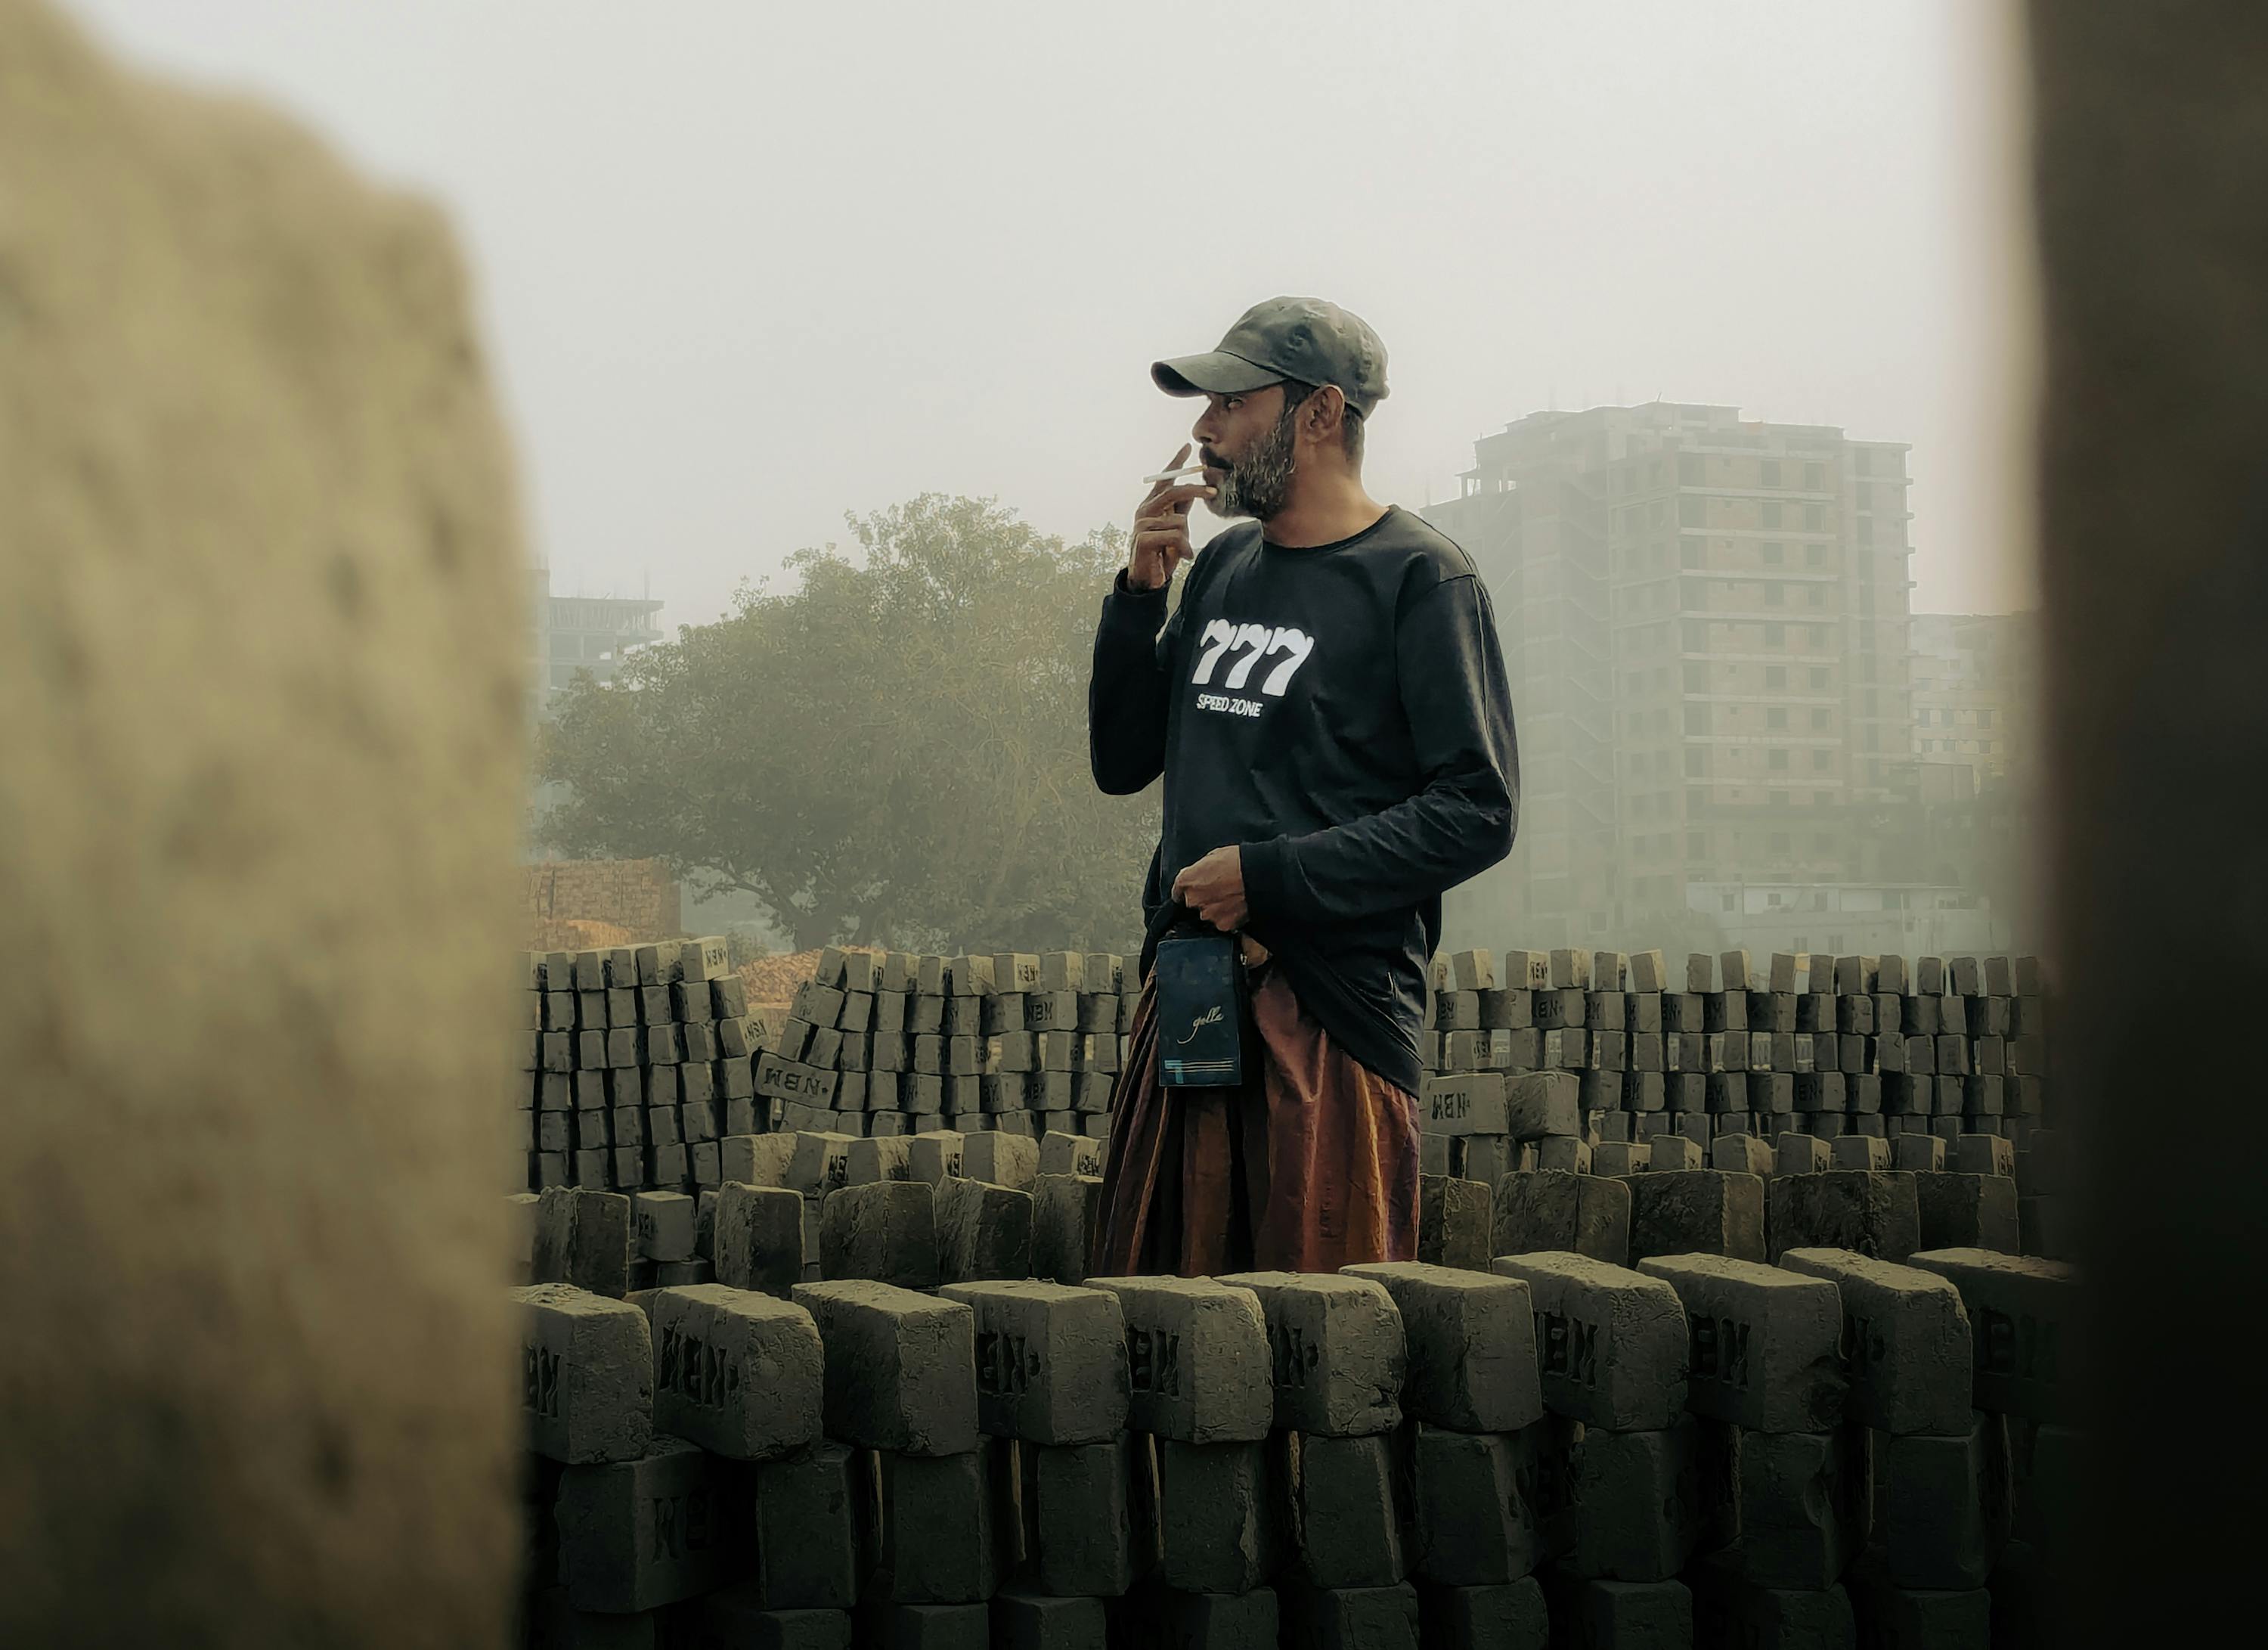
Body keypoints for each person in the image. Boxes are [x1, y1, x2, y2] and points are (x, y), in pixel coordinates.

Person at [1086, 295, 1520, 1276]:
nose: (1203, 428)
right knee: (1171, 1305)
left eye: (1232, 402)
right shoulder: (1226, 567)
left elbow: (1477, 810)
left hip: (1331, 1011)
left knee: (1317, 1330)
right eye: (1205, 405)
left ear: (1320, 414)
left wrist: (1270, 877)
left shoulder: (1420, 579)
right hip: (1192, 988)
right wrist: (1137, 601)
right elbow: (1122, 763)